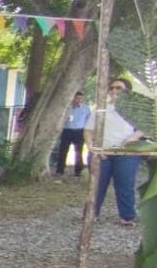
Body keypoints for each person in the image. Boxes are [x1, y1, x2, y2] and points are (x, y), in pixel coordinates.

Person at [89, 79, 147, 226]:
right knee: (97, 185)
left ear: (127, 91)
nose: (114, 90)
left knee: (125, 185)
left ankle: (127, 217)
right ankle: (91, 214)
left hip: (126, 153)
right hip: (103, 152)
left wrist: (132, 138)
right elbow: (88, 130)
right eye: (112, 87)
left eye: (119, 88)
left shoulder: (135, 110)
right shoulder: (101, 109)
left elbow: (144, 128)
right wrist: (92, 147)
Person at [53, 92, 89, 177]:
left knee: (79, 151)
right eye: (77, 98)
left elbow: (88, 119)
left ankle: (78, 171)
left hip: (79, 131)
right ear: (73, 98)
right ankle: (60, 170)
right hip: (67, 131)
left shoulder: (85, 108)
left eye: (80, 98)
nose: (79, 100)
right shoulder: (67, 107)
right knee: (63, 151)